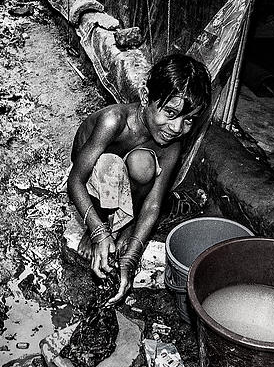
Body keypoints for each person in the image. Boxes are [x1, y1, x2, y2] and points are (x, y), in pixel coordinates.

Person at [67, 54, 211, 306]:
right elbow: (75, 181)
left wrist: (132, 257)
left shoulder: (172, 143)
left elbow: (153, 204)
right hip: (94, 184)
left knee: (143, 166)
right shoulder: (114, 121)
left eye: (188, 119)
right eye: (170, 112)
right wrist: (98, 231)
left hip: (128, 186)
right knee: (110, 166)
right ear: (145, 97)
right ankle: (105, 223)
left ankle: (125, 224)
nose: (177, 128)